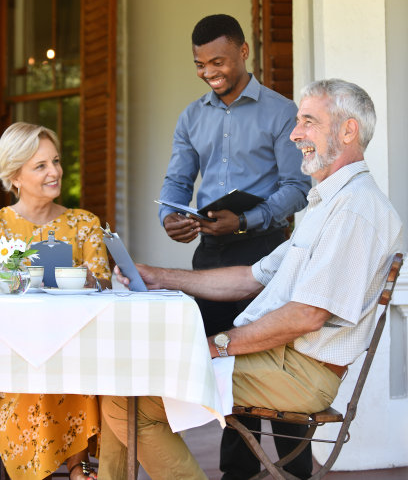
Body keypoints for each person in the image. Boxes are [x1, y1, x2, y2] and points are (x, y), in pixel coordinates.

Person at [100, 79, 402, 480]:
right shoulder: (328, 205)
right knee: (123, 385)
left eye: (308, 122)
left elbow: (307, 315)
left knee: (128, 401)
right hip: (281, 361)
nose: (295, 134)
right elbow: (249, 277)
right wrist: (157, 276)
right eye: (298, 122)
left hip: (297, 373)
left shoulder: (354, 210)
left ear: (348, 130)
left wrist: (217, 345)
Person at [158, 14, 312, 479]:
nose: (209, 72)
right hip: (210, 254)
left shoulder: (283, 112)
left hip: (267, 250)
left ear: (243, 53)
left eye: (218, 61)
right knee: (224, 362)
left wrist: (245, 218)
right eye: (200, 64)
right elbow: (177, 180)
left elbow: (296, 188)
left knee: (278, 360)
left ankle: (295, 471)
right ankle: (237, 471)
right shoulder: (191, 116)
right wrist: (171, 216)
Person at [0, 122, 111, 480]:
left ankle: (76, 464)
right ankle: (65, 467)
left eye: (56, 161)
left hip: (73, 344)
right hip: (11, 350)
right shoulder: (1, 227)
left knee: (66, 365)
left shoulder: (84, 223)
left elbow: (103, 283)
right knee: (30, 371)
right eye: (41, 166)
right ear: (14, 176)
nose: (55, 172)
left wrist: (84, 278)